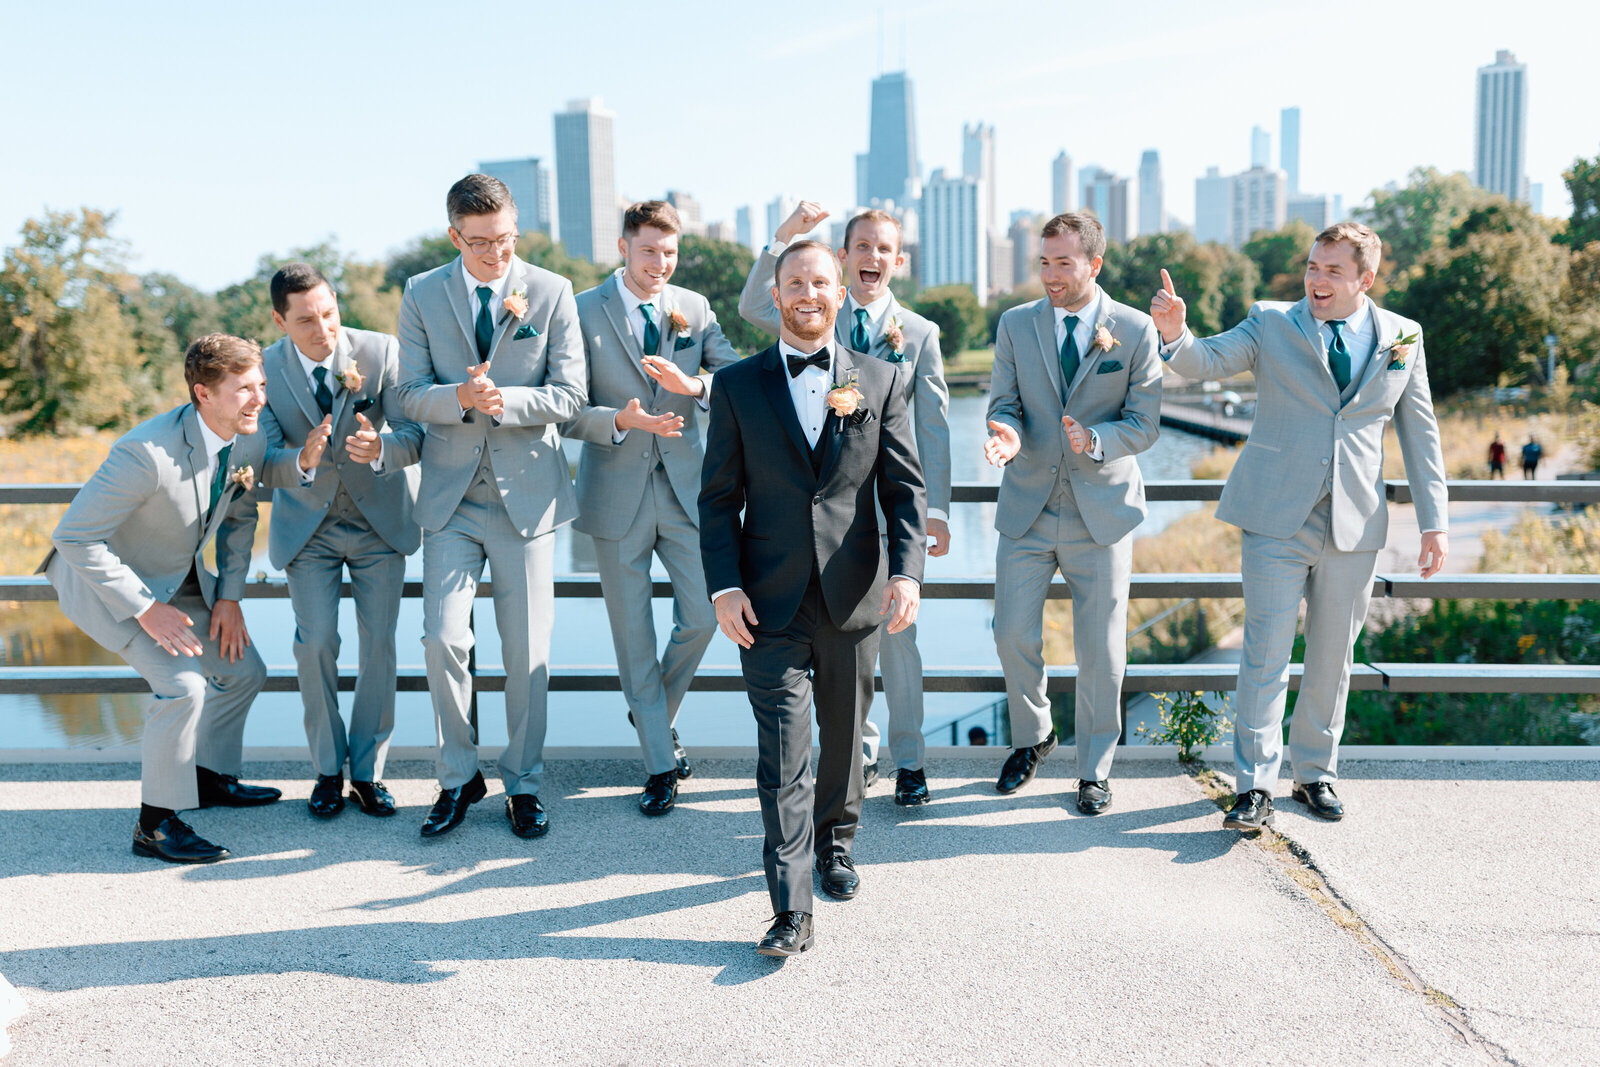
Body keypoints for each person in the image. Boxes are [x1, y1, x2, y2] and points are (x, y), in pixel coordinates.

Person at [1151, 221, 1449, 830]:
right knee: (1264, 654)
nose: (1316, 279)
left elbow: (1420, 431)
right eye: (1313, 266)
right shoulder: (1270, 321)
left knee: (1333, 656)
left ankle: (1314, 774)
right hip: (1274, 515)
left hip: (1356, 518)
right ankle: (1253, 787)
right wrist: (1176, 332)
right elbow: (1207, 361)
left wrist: (1433, 522)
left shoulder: (1404, 336)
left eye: (1332, 271)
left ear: (1364, 279)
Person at [700, 240, 925, 957]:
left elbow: (904, 489)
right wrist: (724, 584)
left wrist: (908, 572)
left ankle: (837, 842)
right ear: (775, 291)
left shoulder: (883, 380)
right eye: (794, 281)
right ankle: (791, 907)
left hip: (854, 595)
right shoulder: (735, 387)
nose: (807, 293)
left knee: (843, 739)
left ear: (837, 292)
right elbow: (716, 502)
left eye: (819, 281)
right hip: (766, 602)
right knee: (784, 753)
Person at [738, 201, 950, 806]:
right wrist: (783, 238)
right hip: (830, 522)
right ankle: (856, 759)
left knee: (898, 640)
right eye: (862, 247)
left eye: (885, 249)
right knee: (842, 649)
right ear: (843, 257)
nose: (873, 258)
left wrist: (936, 513)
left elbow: (930, 432)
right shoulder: (810, 306)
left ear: (897, 261)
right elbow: (755, 304)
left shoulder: (920, 334)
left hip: (891, 517)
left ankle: (909, 762)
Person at [396, 173, 586, 840]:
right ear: (455, 235)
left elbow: (569, 394)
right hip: (450, 500)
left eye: (505, 240)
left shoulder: (553, 291)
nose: (496, 255)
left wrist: (510, 403)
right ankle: (457, 775)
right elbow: (408, 395)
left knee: (528, 650)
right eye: (480, 243)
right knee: (442, 638)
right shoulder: (420, 293)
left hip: (528, 501)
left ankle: (524, 783)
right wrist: (460, 398)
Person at [41, 333, 279, 863]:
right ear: (203, 393)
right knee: (183, 690)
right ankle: (156, 824)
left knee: (244, 670)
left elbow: (240, 521)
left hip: (179, 577)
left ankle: (207, 778)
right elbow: (74, 536)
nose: (259, 398)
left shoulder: (250, 439)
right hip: (107, 585)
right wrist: (145, 609)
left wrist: (229, 598)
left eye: (260, 384)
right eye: (243, 389)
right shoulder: (144, 453)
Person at [983, 212, 1162, 815]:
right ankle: (1035, 736)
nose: (1051, 275)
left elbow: (1145, 423)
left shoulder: (1135, 331)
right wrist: (1003, 434)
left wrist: (1097, 440)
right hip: (1028, 506)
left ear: (1095, 264)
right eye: (1044, 262)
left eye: (1064, 262)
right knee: (1010, 633)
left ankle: (1094, 768)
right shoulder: (1015, 324)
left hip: (1101, 514)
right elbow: (1004, 402)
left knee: (1102, 650)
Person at [564, 201, 740, 815]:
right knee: (632, 635)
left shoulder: (693, 309)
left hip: (688, 491)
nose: (660, 264)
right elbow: (564, 406)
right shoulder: (579, 310)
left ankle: (650, 711)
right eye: (648, 252)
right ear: (622, 247)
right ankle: (660, 765)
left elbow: (737, 379)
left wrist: (695, 387)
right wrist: (619, 419)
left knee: (702, 615)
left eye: (669, 253)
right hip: (614, 493)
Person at [257, 263, 423, 820]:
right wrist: (298, 462)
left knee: (380, 647)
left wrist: (383, 447)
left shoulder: (381, 352)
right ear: (280, 320)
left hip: (380, 521)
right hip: (308, 530)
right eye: (305, 320)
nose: (322, 329)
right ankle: (327, 772)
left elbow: (414, 431)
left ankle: (368, 774)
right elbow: (258, 461)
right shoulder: (265, 369)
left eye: (328, 313)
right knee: (317, 643)